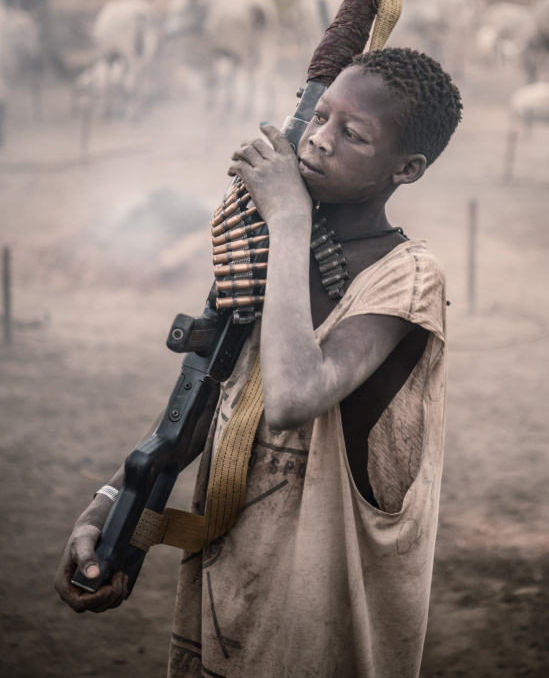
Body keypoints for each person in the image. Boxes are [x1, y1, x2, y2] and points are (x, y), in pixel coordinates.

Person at [55, 46, 462, 678]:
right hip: (234, 562)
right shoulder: (270, 242)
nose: (320, 141)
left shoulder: (407, 278)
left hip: (327, 581)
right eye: (321, 117)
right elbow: (207, 394)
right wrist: (111, 506)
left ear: (406, 169)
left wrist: (291, 218)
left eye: (352, 135)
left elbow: (296, 395)